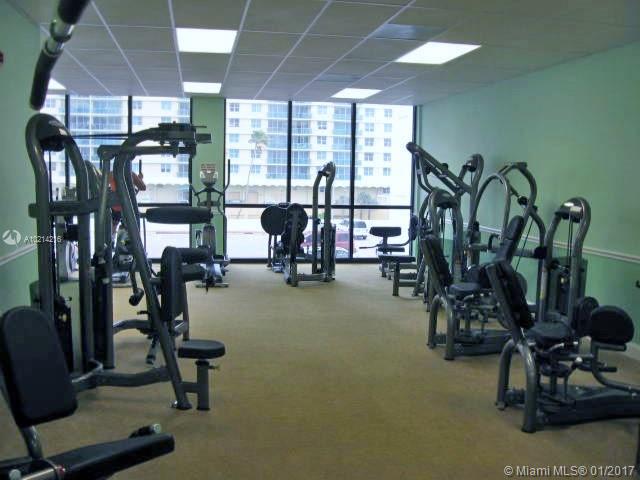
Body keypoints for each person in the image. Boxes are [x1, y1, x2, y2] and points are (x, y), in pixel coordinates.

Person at [110, 171, 146, 236]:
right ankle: (121, 240)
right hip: (127, 207)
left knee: (113, 228)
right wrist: (139, 179)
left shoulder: (112, 174)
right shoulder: (131, 174)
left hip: (116, 207)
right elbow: (143, 187)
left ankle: (112, 239)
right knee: (126, 230)